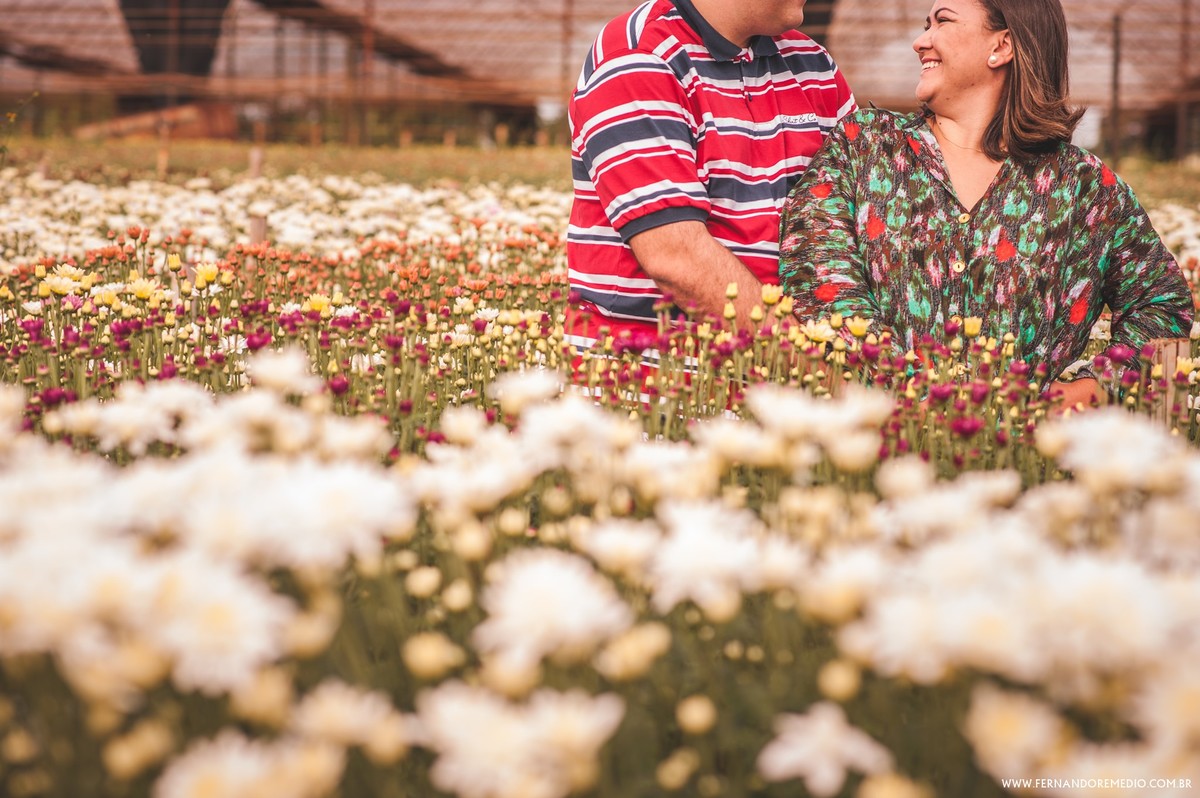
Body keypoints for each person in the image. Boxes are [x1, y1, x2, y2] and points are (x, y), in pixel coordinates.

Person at [778, 0, 1194, 407]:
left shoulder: (1084, 187)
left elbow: (1162, 304)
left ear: (1002, 46)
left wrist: (1094, 388)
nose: (920, 41)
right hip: (879, 447)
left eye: (942, 20)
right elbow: (818, 280)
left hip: (1025, 461)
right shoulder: (863, 146)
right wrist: (911, 401)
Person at [565, 0, 856, 358]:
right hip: (653, 384)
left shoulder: (813, 63)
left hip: (791, 382)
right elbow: (677, 258)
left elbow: (867, 224)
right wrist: (821, 377)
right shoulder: (638, 56)